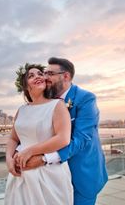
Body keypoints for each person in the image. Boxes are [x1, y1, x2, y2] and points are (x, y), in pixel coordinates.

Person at [22, 57, 108, 205]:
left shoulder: (86, 99)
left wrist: (44, 159)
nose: (45, 77)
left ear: (66, 76)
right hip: (52, 178)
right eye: (45, 73)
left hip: (82, 175)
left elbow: (81, 139)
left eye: (50, 73)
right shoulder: (47, 100)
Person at [4, 63, 73, 204]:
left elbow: (63, 139)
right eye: (31, 76)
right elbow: (13, 138)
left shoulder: (57, 105)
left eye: (40, 74)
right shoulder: (21, 110)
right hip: (20, 174)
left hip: (49, 173)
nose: (37, 77)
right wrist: (9, 159)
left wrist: (29, 151)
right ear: (25, 86)